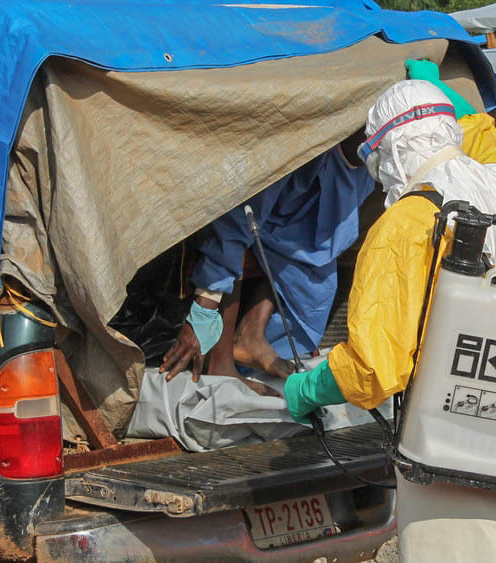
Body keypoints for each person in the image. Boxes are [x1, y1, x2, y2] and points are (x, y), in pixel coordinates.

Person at [283, 78, 496, 562]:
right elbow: (494, 150)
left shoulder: (404, 224)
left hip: (446, 451)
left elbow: (375, 366)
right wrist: (452, 93)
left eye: (377, 159)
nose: (379, 175)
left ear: (396, 149)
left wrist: (311, 386)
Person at [158, 134, 373, 390]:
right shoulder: (299, 148)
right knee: (241, 241)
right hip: (231, 226)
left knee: (311, 270)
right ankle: (221, 364)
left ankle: (251, 335)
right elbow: (233, 223)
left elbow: (311, 241)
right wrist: (203, 313)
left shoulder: (368, 170)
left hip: (283, 237)